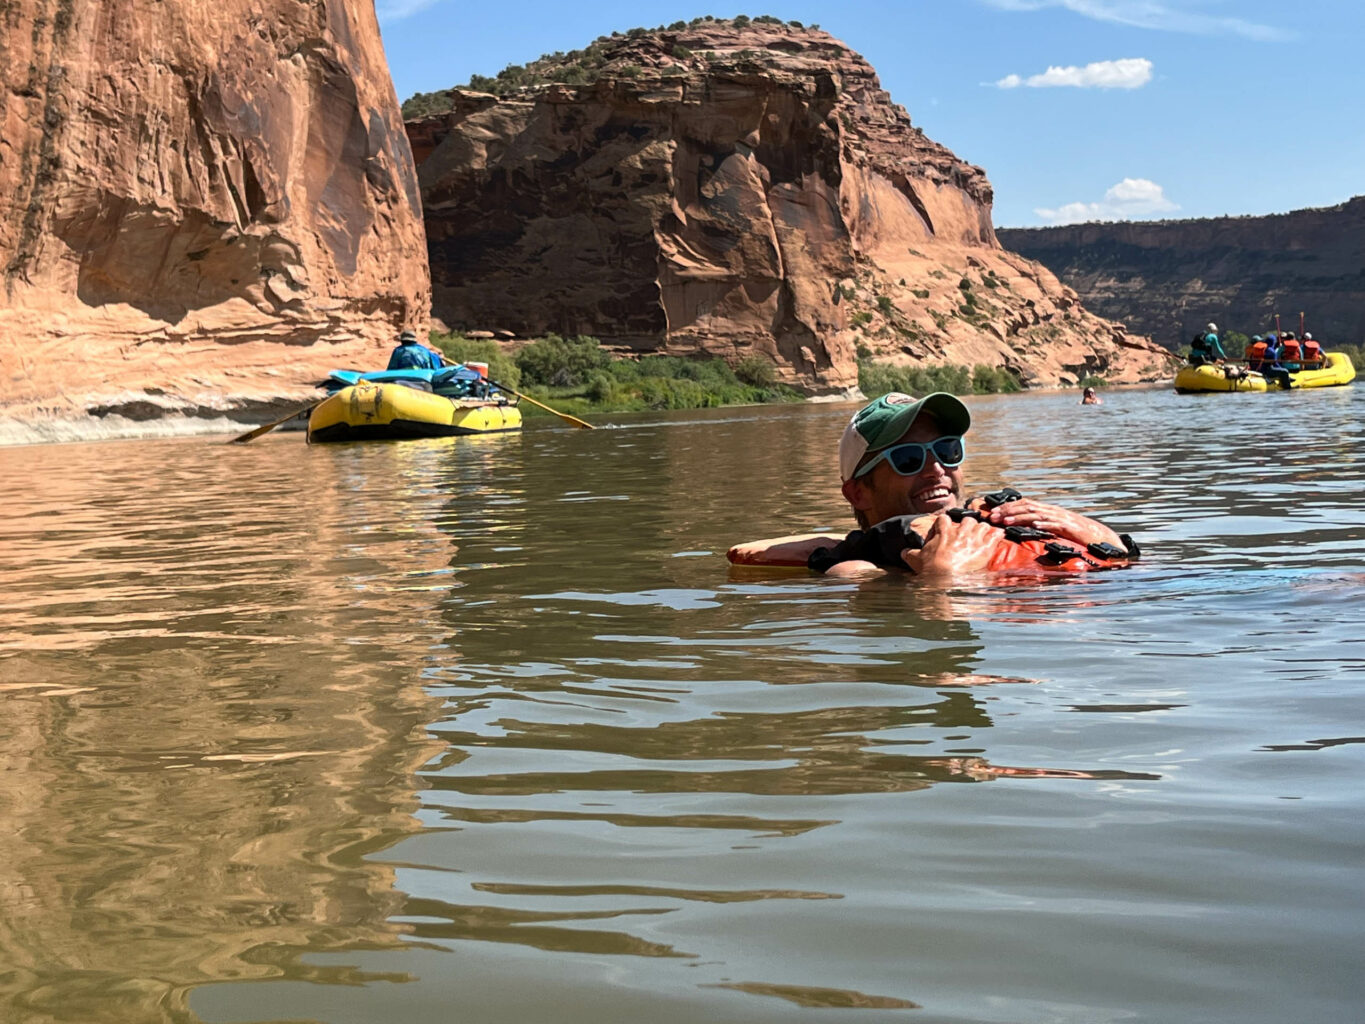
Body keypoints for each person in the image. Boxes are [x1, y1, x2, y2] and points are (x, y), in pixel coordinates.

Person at [727, 392, 1136, 577]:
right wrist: (944, 575)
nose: (937, 468)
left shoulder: (997, 520)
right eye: (907, 459)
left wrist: (1107, 539)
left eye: (947, 449)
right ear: (858, 492)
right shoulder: (859, 569)